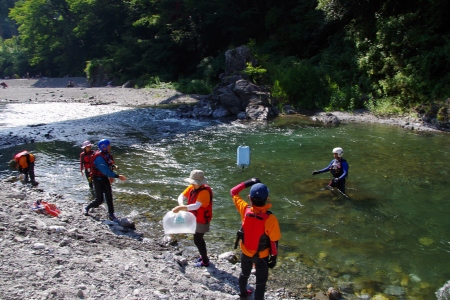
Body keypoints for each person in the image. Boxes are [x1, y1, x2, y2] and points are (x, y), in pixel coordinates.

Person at [230, 178, 281, 300]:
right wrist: (274, 257)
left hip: (245, 252)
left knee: (244, 274)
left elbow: (233, 192)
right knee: (260, 283)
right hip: (262, 256)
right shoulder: (270, 219)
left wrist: (250, 182)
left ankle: (243, 294)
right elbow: (274, 241)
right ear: (267, 199)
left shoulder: (244, 209)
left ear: (250, 198)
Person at [172, 170, 213, 267]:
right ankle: (203, 256)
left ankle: (205, 261)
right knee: (198, 239)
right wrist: (181, 204)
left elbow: (196, 206)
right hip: (195, 218)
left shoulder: (205, 192)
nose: (193, 184)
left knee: (198, 239)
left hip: (202, 220)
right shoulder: (192, 187)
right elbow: (181, 196)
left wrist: (182, 208)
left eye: (195, 183)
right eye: (192, 183)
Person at [84, 139, 127, 221]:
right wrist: (118, 176)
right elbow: (105, 171)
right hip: (97, 180)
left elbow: (110, 165)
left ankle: (111, 214)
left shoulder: (107, 155)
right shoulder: (99, 157)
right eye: (108, 145)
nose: (110, 147)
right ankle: (87, 207)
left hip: (104, 178)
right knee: (99, 200)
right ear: (103, 147)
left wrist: (112, 173)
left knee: (109, 196)